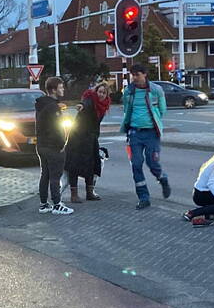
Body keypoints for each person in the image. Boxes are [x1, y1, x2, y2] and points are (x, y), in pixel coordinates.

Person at [119, 63, 170, 209]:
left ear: (144, 74)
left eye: (137, 75)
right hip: (134, 132)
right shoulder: (129, 91)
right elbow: (126, 109)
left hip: (151, 133)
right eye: (133, 75)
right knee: (136, 164)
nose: (134, 78)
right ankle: (143, 197)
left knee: (152, 162)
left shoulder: (156, 90)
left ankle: (162, 178)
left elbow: (162, 109)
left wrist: (154, 120)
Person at [64, 83, 111, 202]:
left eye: (104, 93)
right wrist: (81, 106)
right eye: (99, 92)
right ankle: (74, 194)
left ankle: (90, 192)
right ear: (96, 91)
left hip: (91, 137)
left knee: (92, 164)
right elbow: (85, 104)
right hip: (78, 137)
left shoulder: (103, 105)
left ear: (107, 95)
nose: (101, 94)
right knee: (74, 164)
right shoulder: (90, 99)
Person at [35, 77, 74, 215]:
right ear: (53, 90)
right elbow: (57, 128)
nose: (63, 89)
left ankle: (44, 204)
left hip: (42, 145)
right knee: (55, 176)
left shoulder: (41, 105)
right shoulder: (53, 107)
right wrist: (62, 144)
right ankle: (57, 204)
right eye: (61, 87)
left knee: (45, 174)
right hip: (53, 146)